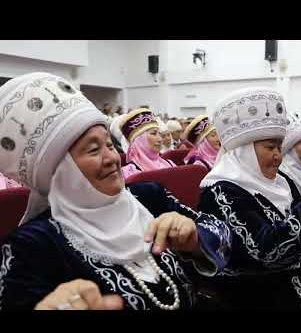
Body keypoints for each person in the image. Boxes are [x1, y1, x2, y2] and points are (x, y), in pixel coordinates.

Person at [0, 73, 231, 310]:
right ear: (58, 170)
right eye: (93, 150)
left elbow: (224, 236)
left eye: (110, 145)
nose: (112, 158)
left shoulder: (149, 197)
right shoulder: (32, 246)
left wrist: (196, 241)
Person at [197, 87, 301, 310]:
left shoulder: (279, 182)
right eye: (270, 147)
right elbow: (266, 253)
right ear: (244, 150)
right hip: (257, 292)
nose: (278, 156)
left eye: (279, 147)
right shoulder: (220, 192)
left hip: (296, 275)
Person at [120, 108, 176, 180]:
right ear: (139, 140)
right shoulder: (130, 173)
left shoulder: (169, 164)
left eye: (159, 134)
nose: (160, 139)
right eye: (153, 133)